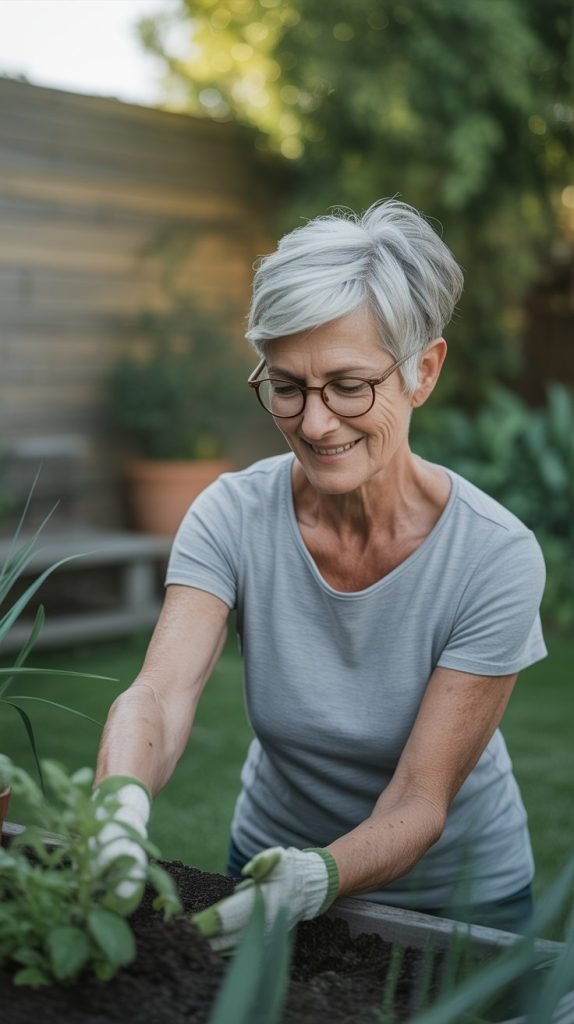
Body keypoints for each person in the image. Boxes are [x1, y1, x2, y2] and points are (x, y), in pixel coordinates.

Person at [93, 199, 546, 951]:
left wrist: (316, 878)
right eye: (287, 386)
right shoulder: (232, 514)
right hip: (263, 865)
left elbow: (419, 799)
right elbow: (160, 697)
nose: (314, 422)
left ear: (423, 370)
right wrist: (118, 808)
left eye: (348, 384)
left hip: (457, 902)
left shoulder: (493, 556)